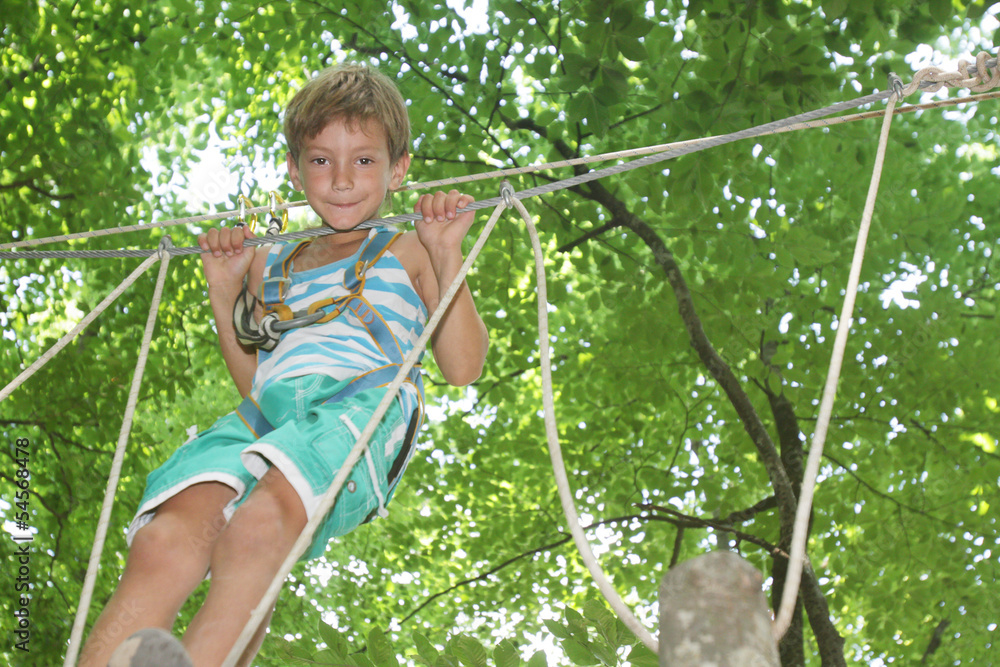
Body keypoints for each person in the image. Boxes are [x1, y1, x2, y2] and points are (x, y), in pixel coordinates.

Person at [79, 63, 489, 667]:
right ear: (295, 170)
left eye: (365, 160)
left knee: (257, 529)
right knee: (166, 542)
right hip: (266, 418)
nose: (343, 179)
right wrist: (224, 291)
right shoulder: (272, 262)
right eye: (321, 160)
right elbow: (257, 383)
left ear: (399, 168)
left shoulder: (409, 248)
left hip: (357, 409)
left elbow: (463, 367)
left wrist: (446, 250)